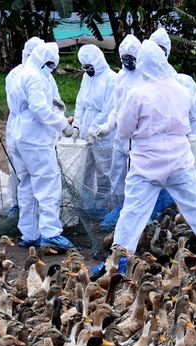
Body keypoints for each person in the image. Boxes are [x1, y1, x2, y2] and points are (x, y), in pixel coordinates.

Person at [109, 40, 196, 270]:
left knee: (133, 211)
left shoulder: (137, 94)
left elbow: (124, 128)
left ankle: (120, 259)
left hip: (147, 163)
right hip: (178, 160)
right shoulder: (181, 90)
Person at [9, 42, 75, 250]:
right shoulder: (35, 76)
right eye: (50, 64)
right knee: (48, 183)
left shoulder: (21, 72)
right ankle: (50, 233)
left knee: (27, 184)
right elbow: (39, 110)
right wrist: (63, 125)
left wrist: (55, 109)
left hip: (19, 134)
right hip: (35, 137)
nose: (51, 68)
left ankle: (29, 233)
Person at [91, 34, 142, 231]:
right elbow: (116, 106)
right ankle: (118, 209)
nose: (128, 61)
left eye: (131, 57)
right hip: (121, 137)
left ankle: (136, 214)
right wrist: (107, 127)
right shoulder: (120, 77)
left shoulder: (145, 76)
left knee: (137, 177)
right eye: (124, 57)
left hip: (139, 138)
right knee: (117, 174)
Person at [75, 44, 117, 220]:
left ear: (97, 62)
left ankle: (103, 205)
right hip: (86, 128)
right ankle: (87, 203)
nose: (87, 70)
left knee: (104, 170)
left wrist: (95, 129)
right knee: (85, 169)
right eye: (84, 67)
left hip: (103, 132)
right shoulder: (87, 78)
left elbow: (109, 108)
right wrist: (77, 125)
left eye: (89, 67)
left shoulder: (111, 78)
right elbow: (80, 102)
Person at [5, 36, 44, 220]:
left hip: (32, 128)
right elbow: (34, 106)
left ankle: (31, 212)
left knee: (33, 172)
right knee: (18, 169)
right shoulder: (16, 74)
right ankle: (16, 205)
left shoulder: (43, 74)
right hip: (21, 125)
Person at [148, 27, 196, 134]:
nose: (157, 54)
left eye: (161, 50)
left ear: (167, 52)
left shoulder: (184, 82)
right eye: (154, 49)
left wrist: (194, 144)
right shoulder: (139, 82)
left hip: (180, 144)